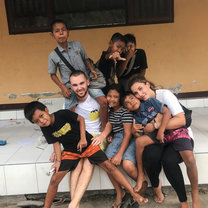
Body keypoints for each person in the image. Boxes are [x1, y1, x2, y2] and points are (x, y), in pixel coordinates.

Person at [128, 76, 201, 208]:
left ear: (148, 84)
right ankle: (160, 189)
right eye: (135, 93)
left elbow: (181, 121)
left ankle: (194, 196)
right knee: (149, 156)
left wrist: (156, 125)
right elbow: (142, 131)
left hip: (177, 133)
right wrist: (136, 130)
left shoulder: (164, 95)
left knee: (172, 161)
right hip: (159, 138)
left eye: (140, 88)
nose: (139, 94)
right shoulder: (141, 105)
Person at [93, 84, 147, 208]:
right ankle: (120, 192)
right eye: (109, 96)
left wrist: (119, 154)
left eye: (115, 97)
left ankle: (142, 184)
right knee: (107, 162)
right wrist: (107, 135)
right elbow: (110, 125)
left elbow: (127, 134)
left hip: (128, 138)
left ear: (120, 98)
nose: (111, 99)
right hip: (117, 137)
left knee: (126, 164)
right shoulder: (111, 110)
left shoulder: (125, 111)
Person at [48, 19, 107, 131]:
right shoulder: (53, 55)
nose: (61, 33)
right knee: (70, 112)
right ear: (52, 35)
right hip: (70, 86)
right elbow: (52, 74)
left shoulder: (77, 45)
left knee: (104, 102)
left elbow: (85, 59)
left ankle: (104, 129)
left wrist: (92, 70)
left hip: (86, 82)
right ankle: (77, 133)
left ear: (68, 32)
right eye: (57, 31)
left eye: (63, 30)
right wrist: (62, 86)